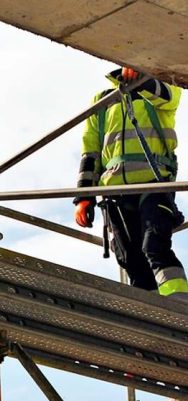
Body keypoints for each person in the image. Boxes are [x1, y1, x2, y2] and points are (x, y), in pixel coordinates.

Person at [74, 68, 187, 299]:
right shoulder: (103, 100)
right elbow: (91, 151)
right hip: (115, 190)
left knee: (154, 244)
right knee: (129, 257)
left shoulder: (165, 86)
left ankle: (180, 302)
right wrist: (84, 197)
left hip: (154, 184)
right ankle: (148, 308)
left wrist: (142, 77)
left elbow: (166, 95)